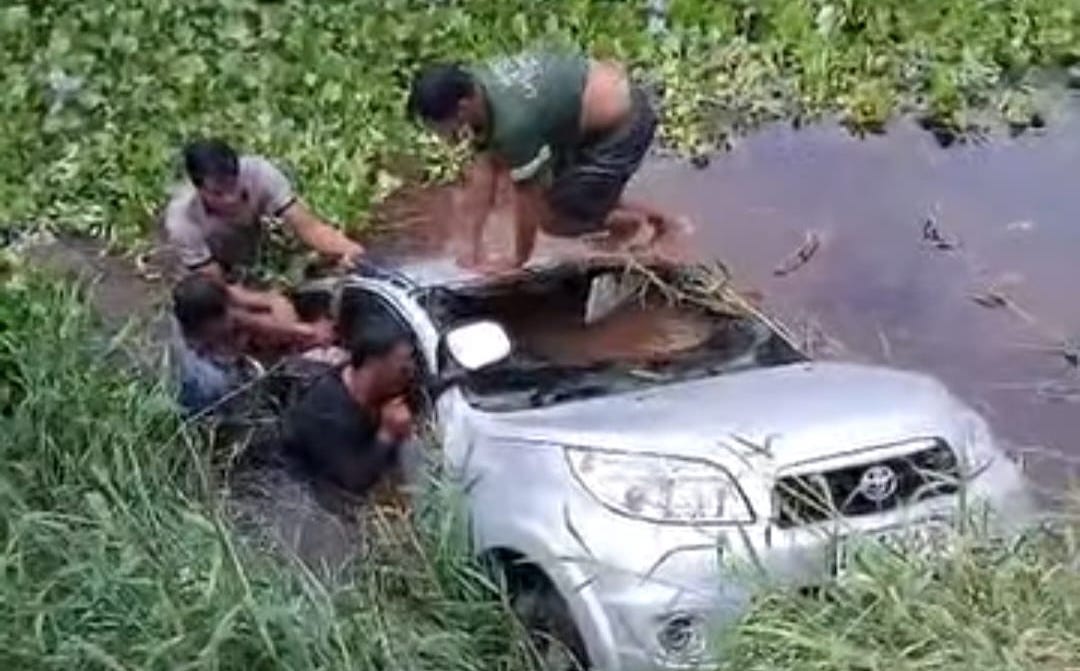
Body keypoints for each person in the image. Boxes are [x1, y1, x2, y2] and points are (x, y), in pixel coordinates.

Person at [408, 50, 675, 271]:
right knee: (569, 193)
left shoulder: (513, 125)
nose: (441, 135)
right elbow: (485, 174)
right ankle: (656, 218)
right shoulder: (477, 85)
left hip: (623, 124)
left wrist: (515, 260)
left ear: (462, 108)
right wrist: (470, 247)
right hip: (582, 110)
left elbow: (528, 201)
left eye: (440, 126)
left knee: (555, 220)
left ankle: (636, 227)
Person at [162, 138, 363, 346]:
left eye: (233, 186)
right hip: (215, 279)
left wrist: (356, 254)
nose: (230, 198)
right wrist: (274, 304)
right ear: (199, 189)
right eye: (218, 194)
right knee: (233, 322)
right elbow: (220, 290)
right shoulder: (182, 220)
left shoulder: (260, 174)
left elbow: (309, 228)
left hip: (256, 251)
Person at [281, 312, 417, 496]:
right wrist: (387, 434)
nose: (410, 373)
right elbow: (351, 482)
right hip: (305, 496)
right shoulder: (325, 410)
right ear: (373, 365)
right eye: (403, 367)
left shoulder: (383, 388)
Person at [170, 273, 249, 414]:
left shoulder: (180, 318)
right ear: (208, 325)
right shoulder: (214, 382)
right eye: (225, 312)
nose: (233, 315)